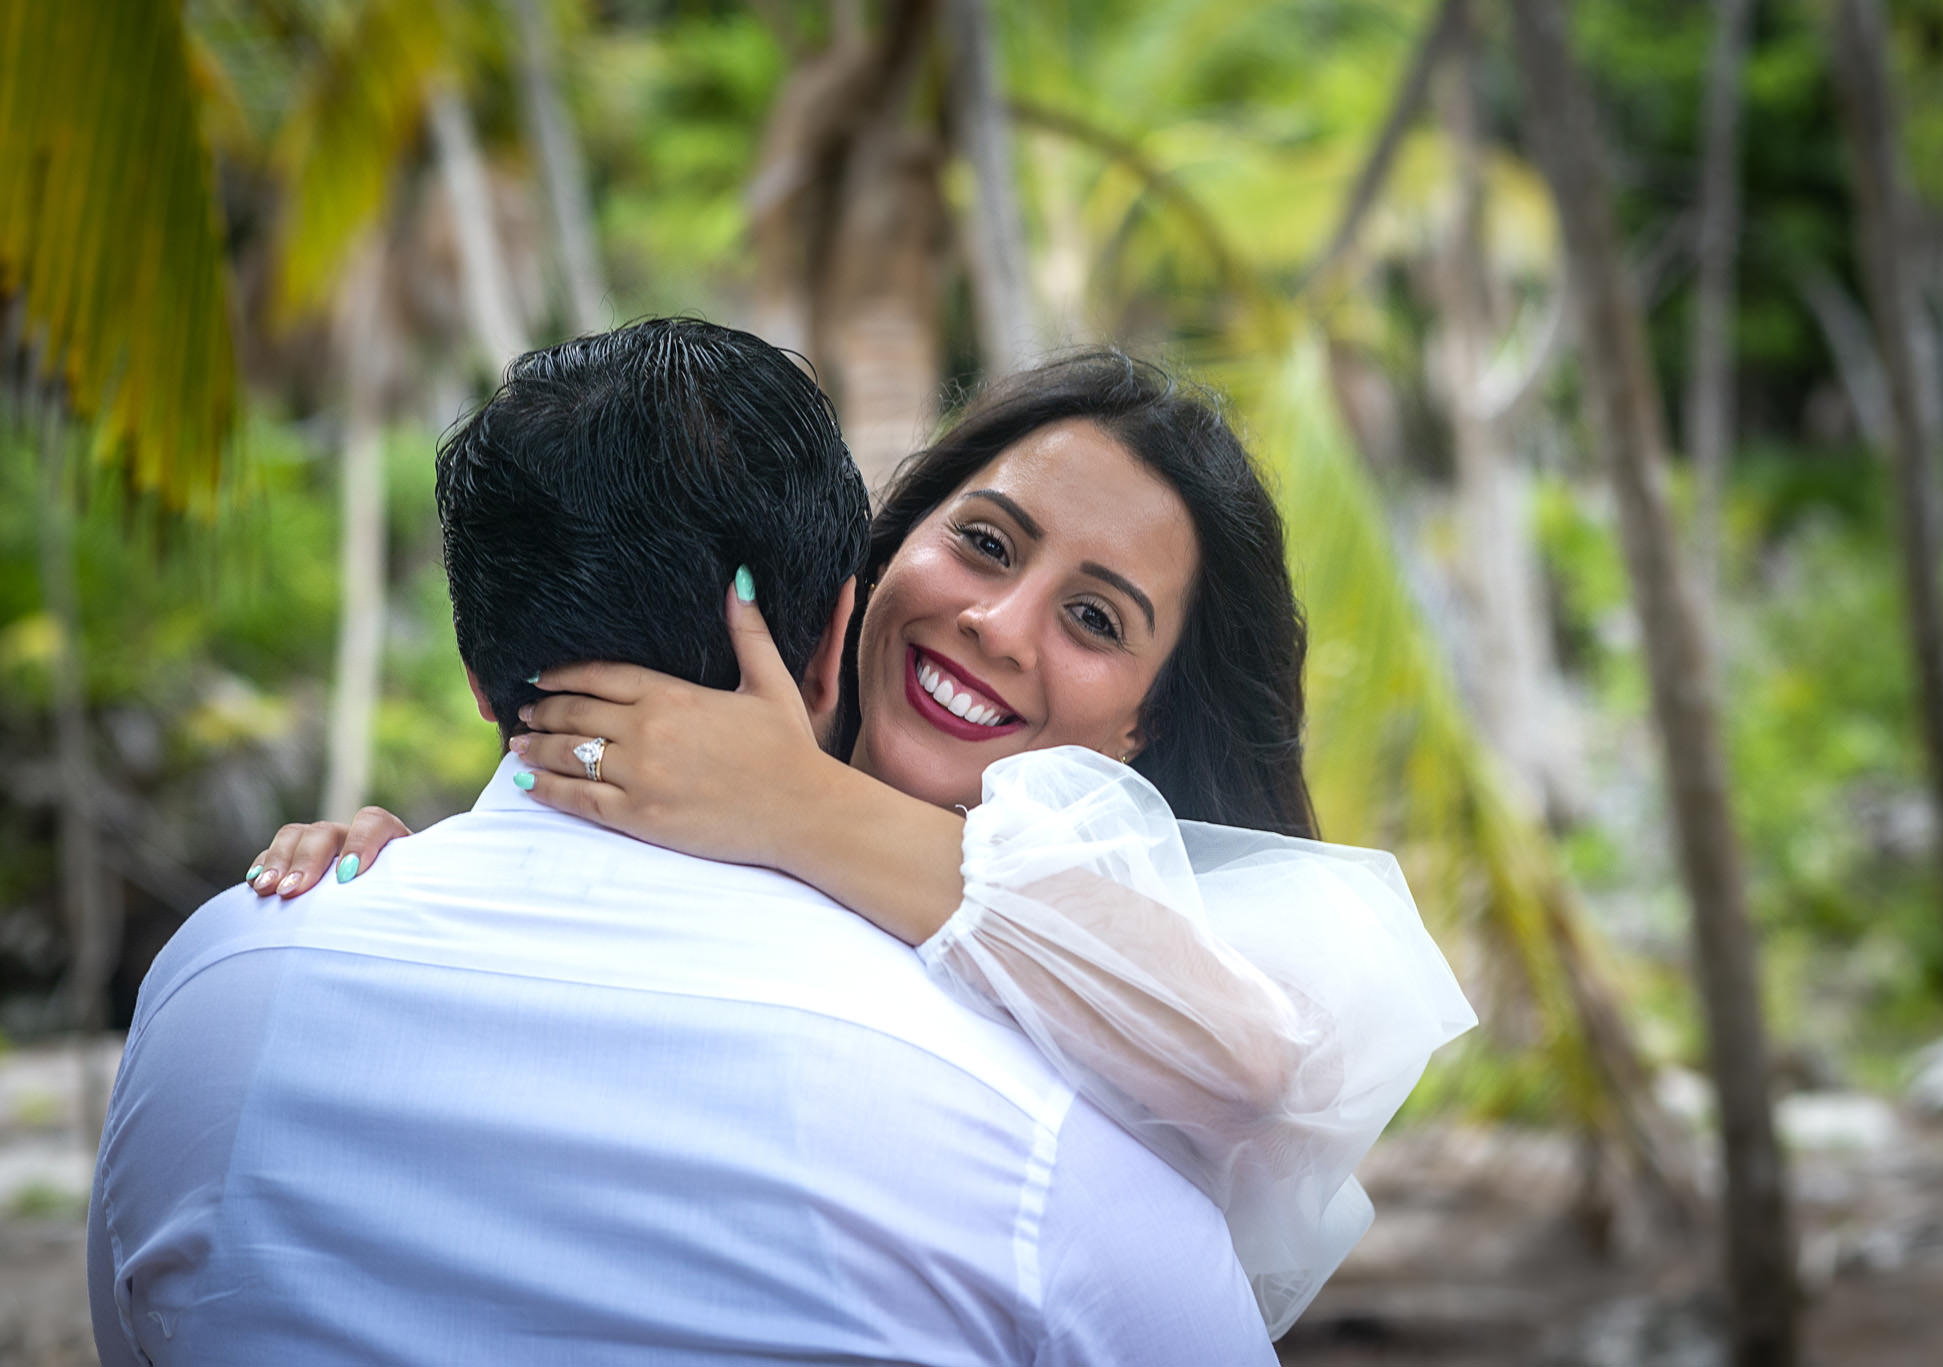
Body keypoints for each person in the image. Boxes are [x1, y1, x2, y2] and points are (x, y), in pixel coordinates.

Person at [89, 319, 1279, 1366]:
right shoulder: (1034, 1156)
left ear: (1147, 725)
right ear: (855, 596)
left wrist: (794, 803)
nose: (996, 622)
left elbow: (1259, 1071)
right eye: (983, 541)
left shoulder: (219, 982)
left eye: (1092, 617)